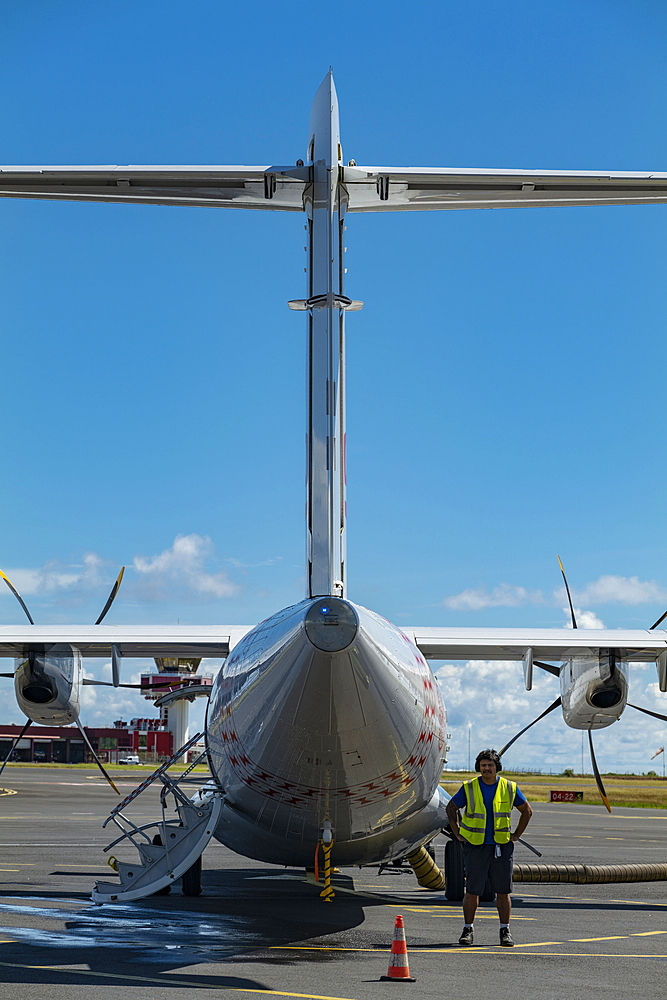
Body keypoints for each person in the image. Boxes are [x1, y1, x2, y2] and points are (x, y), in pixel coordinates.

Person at [445, 748, 532, 947]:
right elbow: (451, 808)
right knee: (472, 890)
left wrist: (517, 835)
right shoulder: (468, 787)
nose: (486, 768)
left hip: (501, 846)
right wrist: (457, 833)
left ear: (496, 768)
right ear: (479, 767)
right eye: (483, 765)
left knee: (503, 891)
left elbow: (527, 811)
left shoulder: (509, 787)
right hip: (475, 846)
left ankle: (505, 930)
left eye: (490, 765)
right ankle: (468, 929)